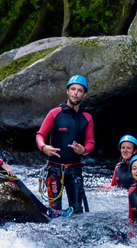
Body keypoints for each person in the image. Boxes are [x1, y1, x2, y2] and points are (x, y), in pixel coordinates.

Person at [36, 75, 95, 214]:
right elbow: (40, 135)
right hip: (54, 170)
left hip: (75, 171)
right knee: (54, 211)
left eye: (80, 90)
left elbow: (91, 143)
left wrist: (83, 150)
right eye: (73, 89)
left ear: (84, 94)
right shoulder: (55, 113)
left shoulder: (87, 117)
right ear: (67, 91)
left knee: (77, 211)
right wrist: (43, 147)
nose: (76, 93)